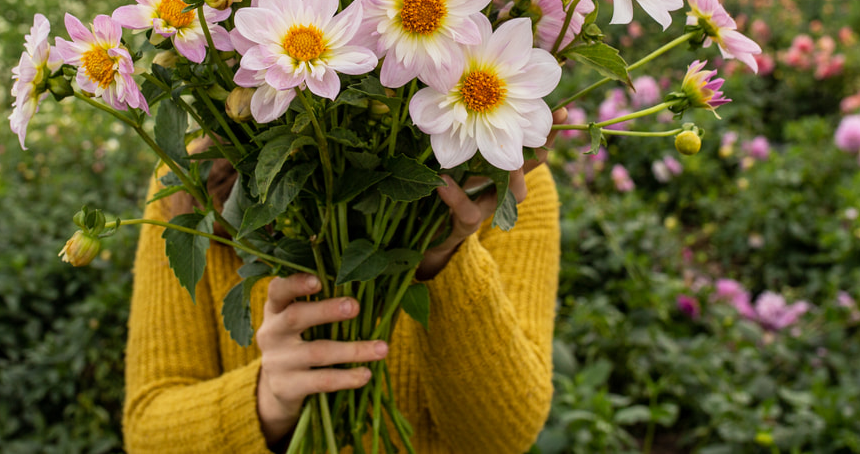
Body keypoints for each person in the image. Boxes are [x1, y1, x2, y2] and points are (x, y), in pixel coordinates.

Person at [121, 111, 564, 454]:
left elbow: (503, 436)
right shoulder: (188, 182)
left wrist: (443, 254)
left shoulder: (503, 181)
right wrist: (266, 400)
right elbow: (148, 431)